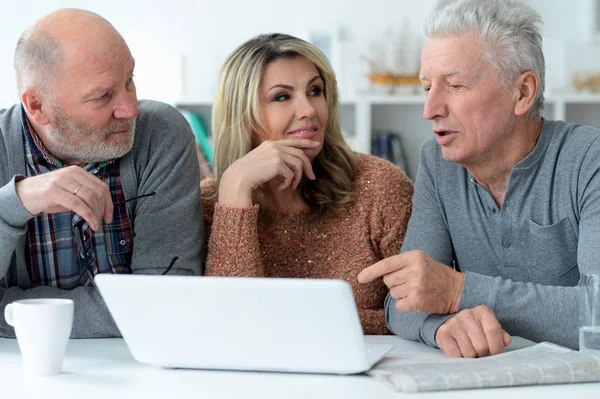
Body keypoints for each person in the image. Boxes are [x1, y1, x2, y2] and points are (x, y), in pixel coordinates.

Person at [359, 0, 600, 357]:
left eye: (454, 85)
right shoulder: (438, 162)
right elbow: (404, 298)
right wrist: (439, 327)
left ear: (522, 92)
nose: (430, 109)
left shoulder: (588, 159)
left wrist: (459, 292)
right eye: (427, 87)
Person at [0, 9, 203, 338]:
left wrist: (12, 311)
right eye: (103, 96)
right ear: (36, 105)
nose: (130, 108)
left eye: (129, 80)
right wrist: (16, 202)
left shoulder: (160, 133)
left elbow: (166, 298)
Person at [201, 33, 413, 334]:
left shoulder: (379, 186)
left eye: (315, 91)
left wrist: (283, 323)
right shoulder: (208, 205)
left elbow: (417, 315)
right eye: (282, 97)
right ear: (242, 115)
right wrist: (234, 190)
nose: (309, 110)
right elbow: (233, 326)